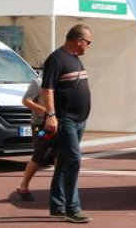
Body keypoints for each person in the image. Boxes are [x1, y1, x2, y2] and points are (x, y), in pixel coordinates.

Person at [42, 24, 93, 224]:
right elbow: (47, 89)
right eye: (88, 42)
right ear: (78, 40)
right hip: (65, 119)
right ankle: (73, 208)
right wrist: (51, 115)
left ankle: (57, 206)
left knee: (63, 162)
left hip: (79, 120)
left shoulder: (75, 60)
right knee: (73, 160)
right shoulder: (56, 59)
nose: (88, 46)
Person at [14, 73, 56, 202]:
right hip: (40, 126)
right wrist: (45, 111)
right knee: (40, 153)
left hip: (57, 122)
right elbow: (26, 101)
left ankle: (59, 189)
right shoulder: (38, 82)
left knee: (61, 153)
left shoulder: (60, 82)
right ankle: (23, 186)